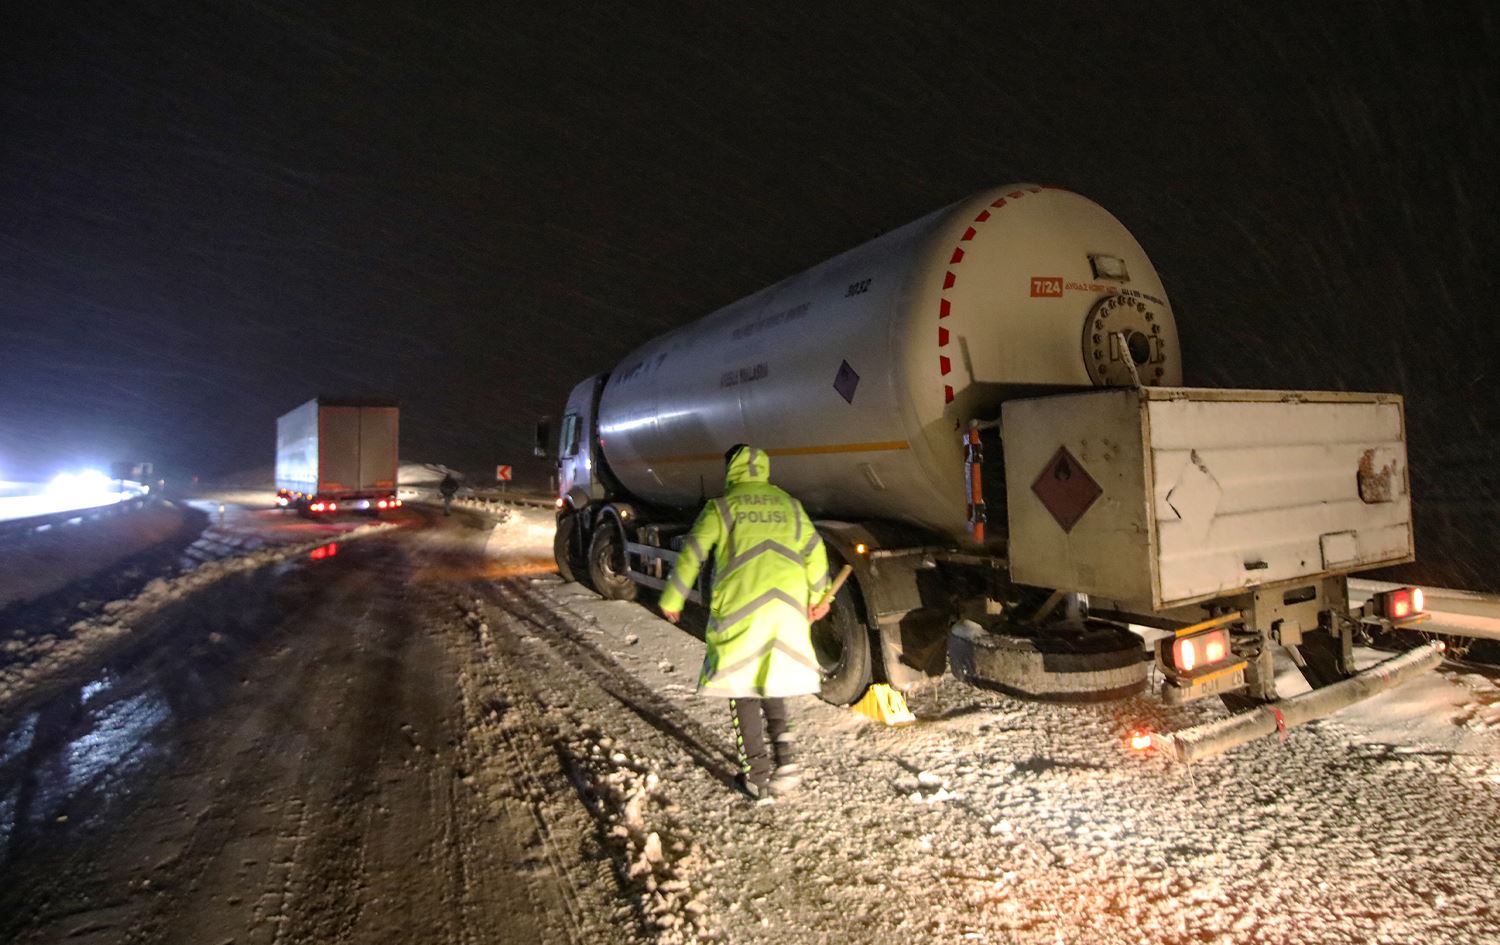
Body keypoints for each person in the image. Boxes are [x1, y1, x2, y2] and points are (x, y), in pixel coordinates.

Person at [658, 444, 832, 800]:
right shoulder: (790, 506)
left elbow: (693, 552)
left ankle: (756, 775)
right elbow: (815, 552)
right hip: (787, 608)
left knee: (743, 688)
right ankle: (786, 762)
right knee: (773, 679)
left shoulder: (721, 508)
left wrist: (673, 598)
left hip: (743, 610)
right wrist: (820, 598)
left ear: (731, 472)